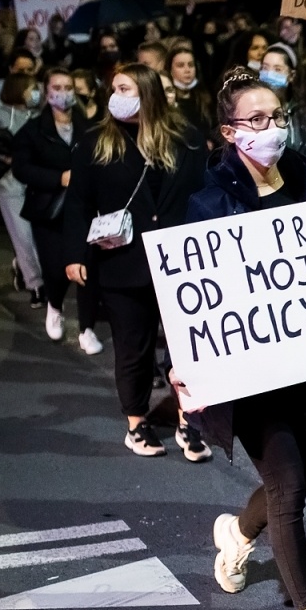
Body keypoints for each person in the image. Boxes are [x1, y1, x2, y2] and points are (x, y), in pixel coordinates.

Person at [176, 69, 306, 610]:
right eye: (257, 120)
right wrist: (183, 368)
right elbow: (190, 296)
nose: (272, 129)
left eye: (277, 116)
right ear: (231, 132)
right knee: (287, 489)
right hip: (251, 377)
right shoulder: (207, 203)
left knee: (291, 483)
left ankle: (236, 538)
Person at [64, 63, 209, 458]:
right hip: (122, 263)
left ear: (147, 94)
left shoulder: (188, 140)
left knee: (188, 348)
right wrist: (76, 254)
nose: (116, 95)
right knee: (133, 348)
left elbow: (203, 196)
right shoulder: (97, 141)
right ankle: (136, 422)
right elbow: (78, 202)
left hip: (179, 263)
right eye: (114, 88)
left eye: (125, 88)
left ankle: (189, 423)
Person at [13, 67, 102, 354]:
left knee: (87, 268)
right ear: (46, 90)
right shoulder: (33, 130)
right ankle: (54, 304)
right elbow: (22, 169)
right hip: (49, 210)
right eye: (57, 87)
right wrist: (58, 178)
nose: (63, 93)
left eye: (68, 88)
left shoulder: (86, 126)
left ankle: (87, 329)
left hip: (84, 210)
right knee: (55, 267)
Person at [0, 72, 46, 307]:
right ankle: (36, 285)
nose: (37, 92)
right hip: (12, 186)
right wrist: (1, 156)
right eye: (31, 88)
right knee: (24, 237)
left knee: (43, 238)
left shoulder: (42, 116)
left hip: (42, 183)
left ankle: (25, 268)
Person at [168, 45, 214, 134]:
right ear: (170, 70)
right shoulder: (168, 102)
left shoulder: (205, 99)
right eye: (180, 65)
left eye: (191, 65)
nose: (187, 70)